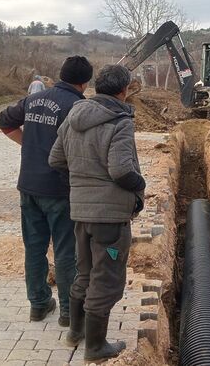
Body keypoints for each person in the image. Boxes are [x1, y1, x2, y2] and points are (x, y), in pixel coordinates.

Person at [49, 64, 145, 362]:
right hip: (110, 216)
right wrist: (140, 185)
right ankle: (96, 346)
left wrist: (81, 183)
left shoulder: (73, 116)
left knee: (85, 272)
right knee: (107, 280)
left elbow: (56, 159)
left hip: (80, 212)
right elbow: (120, 169)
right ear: (123, 90)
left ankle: (76, 333)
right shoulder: (120, 121)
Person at [0, 56, 94, 326]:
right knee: (66, 252)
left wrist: (29, 145)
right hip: (60, 190)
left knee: (34, 248)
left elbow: (3, 122)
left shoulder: (34, 99)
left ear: (61, 75)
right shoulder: (77, 106)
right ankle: (67, 312)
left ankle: (38, 305)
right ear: (85, 82)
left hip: (28, 186)